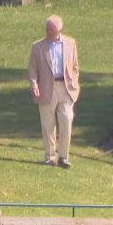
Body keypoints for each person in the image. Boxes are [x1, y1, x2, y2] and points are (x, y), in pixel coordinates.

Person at [28, 15, 80, 168]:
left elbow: (75, 66)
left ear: (59, 30)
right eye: (47, 28)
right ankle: (49, 156)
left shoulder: (70, 43)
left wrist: (74, 81)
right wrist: (34, 85)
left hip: (65, 88)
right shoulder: (38, 46)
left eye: (51, 29)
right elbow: (32, 69)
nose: (48, 32)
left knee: (66, 120)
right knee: (48, 124)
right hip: (46, 88)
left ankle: (63, 156)